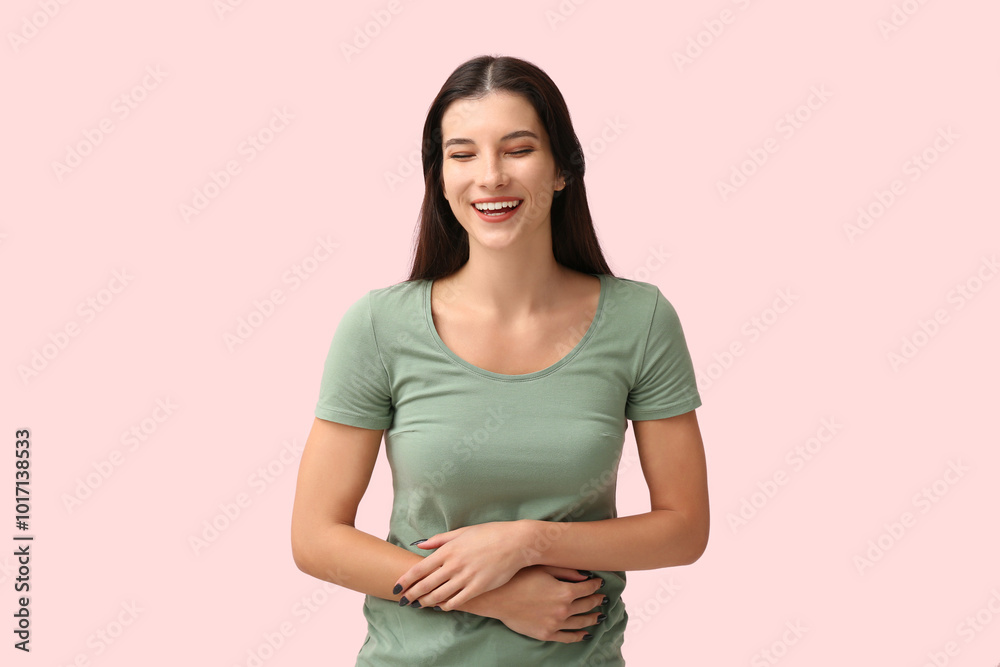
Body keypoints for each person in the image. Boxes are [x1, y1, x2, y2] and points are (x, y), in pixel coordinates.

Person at [290, 54, 709, 666]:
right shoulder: (379, 326)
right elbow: (315, 538)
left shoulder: (640, 321)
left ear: (563, 169)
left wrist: (526, 542)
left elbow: (683, 528)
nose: (490, 176)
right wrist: (493, 596)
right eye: (462, 155)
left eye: (518, 150)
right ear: (439, 176)